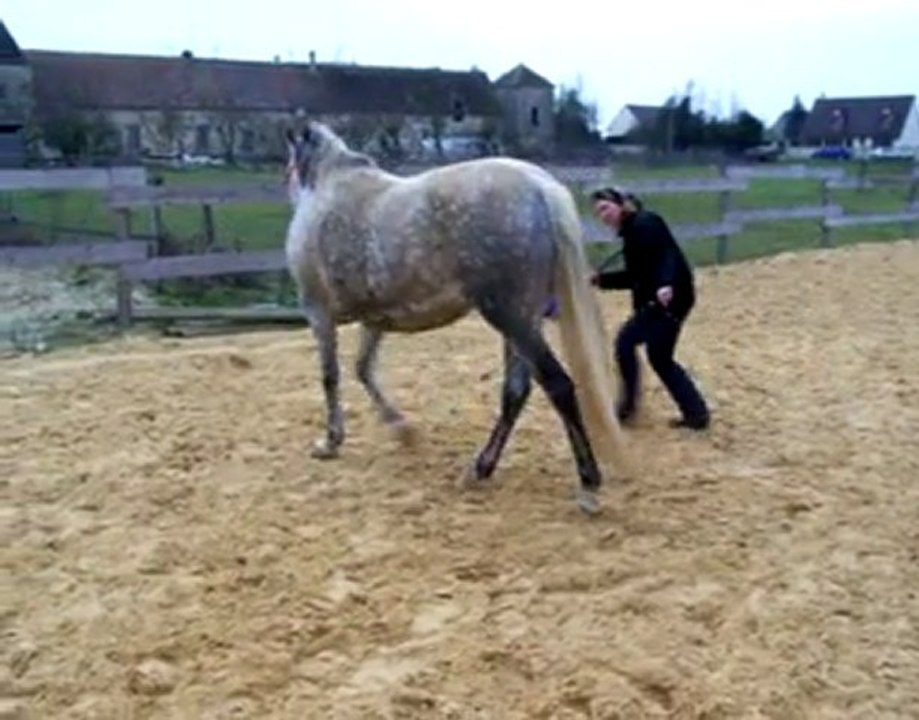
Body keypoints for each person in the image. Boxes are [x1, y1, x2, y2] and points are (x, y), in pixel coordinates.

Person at [588, 187, 710, 430]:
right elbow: (636, 276)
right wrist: (600, 281)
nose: (603, 215)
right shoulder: (632, 231)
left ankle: (627, 409)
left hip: (667, 300)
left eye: (605, 208)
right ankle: (696, 414)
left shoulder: (646, 223)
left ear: (620, 204)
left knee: (625, 343)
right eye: (598, 212)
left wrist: (665, 283)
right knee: (660, 358)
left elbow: (667, 255)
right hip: (668, 299)